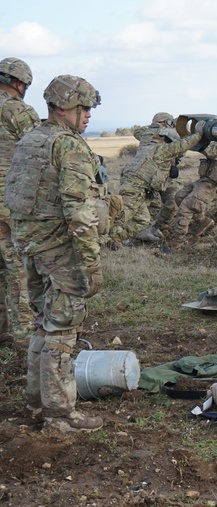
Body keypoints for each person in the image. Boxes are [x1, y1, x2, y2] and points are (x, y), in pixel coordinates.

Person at [3, 75, 108, 432]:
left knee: (42, 327)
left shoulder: (30, 139)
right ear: (65, 107)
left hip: (31, 249)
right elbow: (78, 210)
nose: (88, 115)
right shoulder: (70, 145)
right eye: (84, 108)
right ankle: (61, 416)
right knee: (62, 332)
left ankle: (36, 404)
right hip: (60, 253)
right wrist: (90, 263)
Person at [0, 58, 40, 344]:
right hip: (8, 202)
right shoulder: (17, 110)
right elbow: (43, 147)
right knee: (19, 267)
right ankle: (24, 332)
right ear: (19, 83)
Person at [110, 116, 201, 244]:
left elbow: (138, 131)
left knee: (143, 217)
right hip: (136, 186)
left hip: (145, 184)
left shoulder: (149, 140)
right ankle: (104, 238)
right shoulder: (162, 148)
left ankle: (116, 238)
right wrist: (199, 134)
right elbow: (183, 145)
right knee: (122, 217)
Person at [164, 140, 217, 243]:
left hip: (212, 185)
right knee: (180, 196)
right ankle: (202, 221)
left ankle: (178, 241)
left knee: (187, 206)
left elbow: (209, 149)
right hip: (204, 181)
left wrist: (198, 137)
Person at [132, 112, 184, 237]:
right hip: (154, 177)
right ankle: (150, 229)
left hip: (154, 175)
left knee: (162, 203)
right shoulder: (163, 133)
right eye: (170, 123)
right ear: (163, 123)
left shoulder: (145, 133)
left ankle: (152, 228)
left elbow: (137, 131)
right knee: (165, 203)